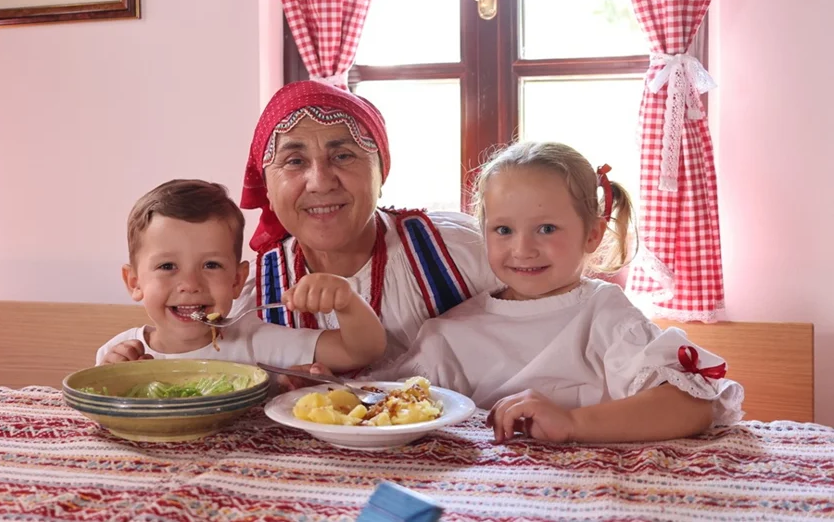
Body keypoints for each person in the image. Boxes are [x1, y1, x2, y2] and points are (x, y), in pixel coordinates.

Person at [376, 141, 744, 444]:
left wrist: (572, 423)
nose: (523, 249)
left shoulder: (604, 314)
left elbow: (693, 406)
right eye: (503, 230)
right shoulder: (449, 334)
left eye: (547, 229)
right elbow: (386, 408)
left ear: (592, 235)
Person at [235, 81, 499, 370]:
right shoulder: (248, 300)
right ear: (267, 190)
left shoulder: (466, 251)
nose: (320, 182)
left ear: (381, 172)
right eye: (294, 161)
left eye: (343, 156)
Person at [95, 179, 386, 372]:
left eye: (211, 265)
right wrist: (112, 380)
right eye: (168, 267)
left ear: (237, 280)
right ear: (134, 283)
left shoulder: (254, 341)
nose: (190, 285)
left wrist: (346, 301)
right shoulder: (120, 354)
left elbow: (360, 351)